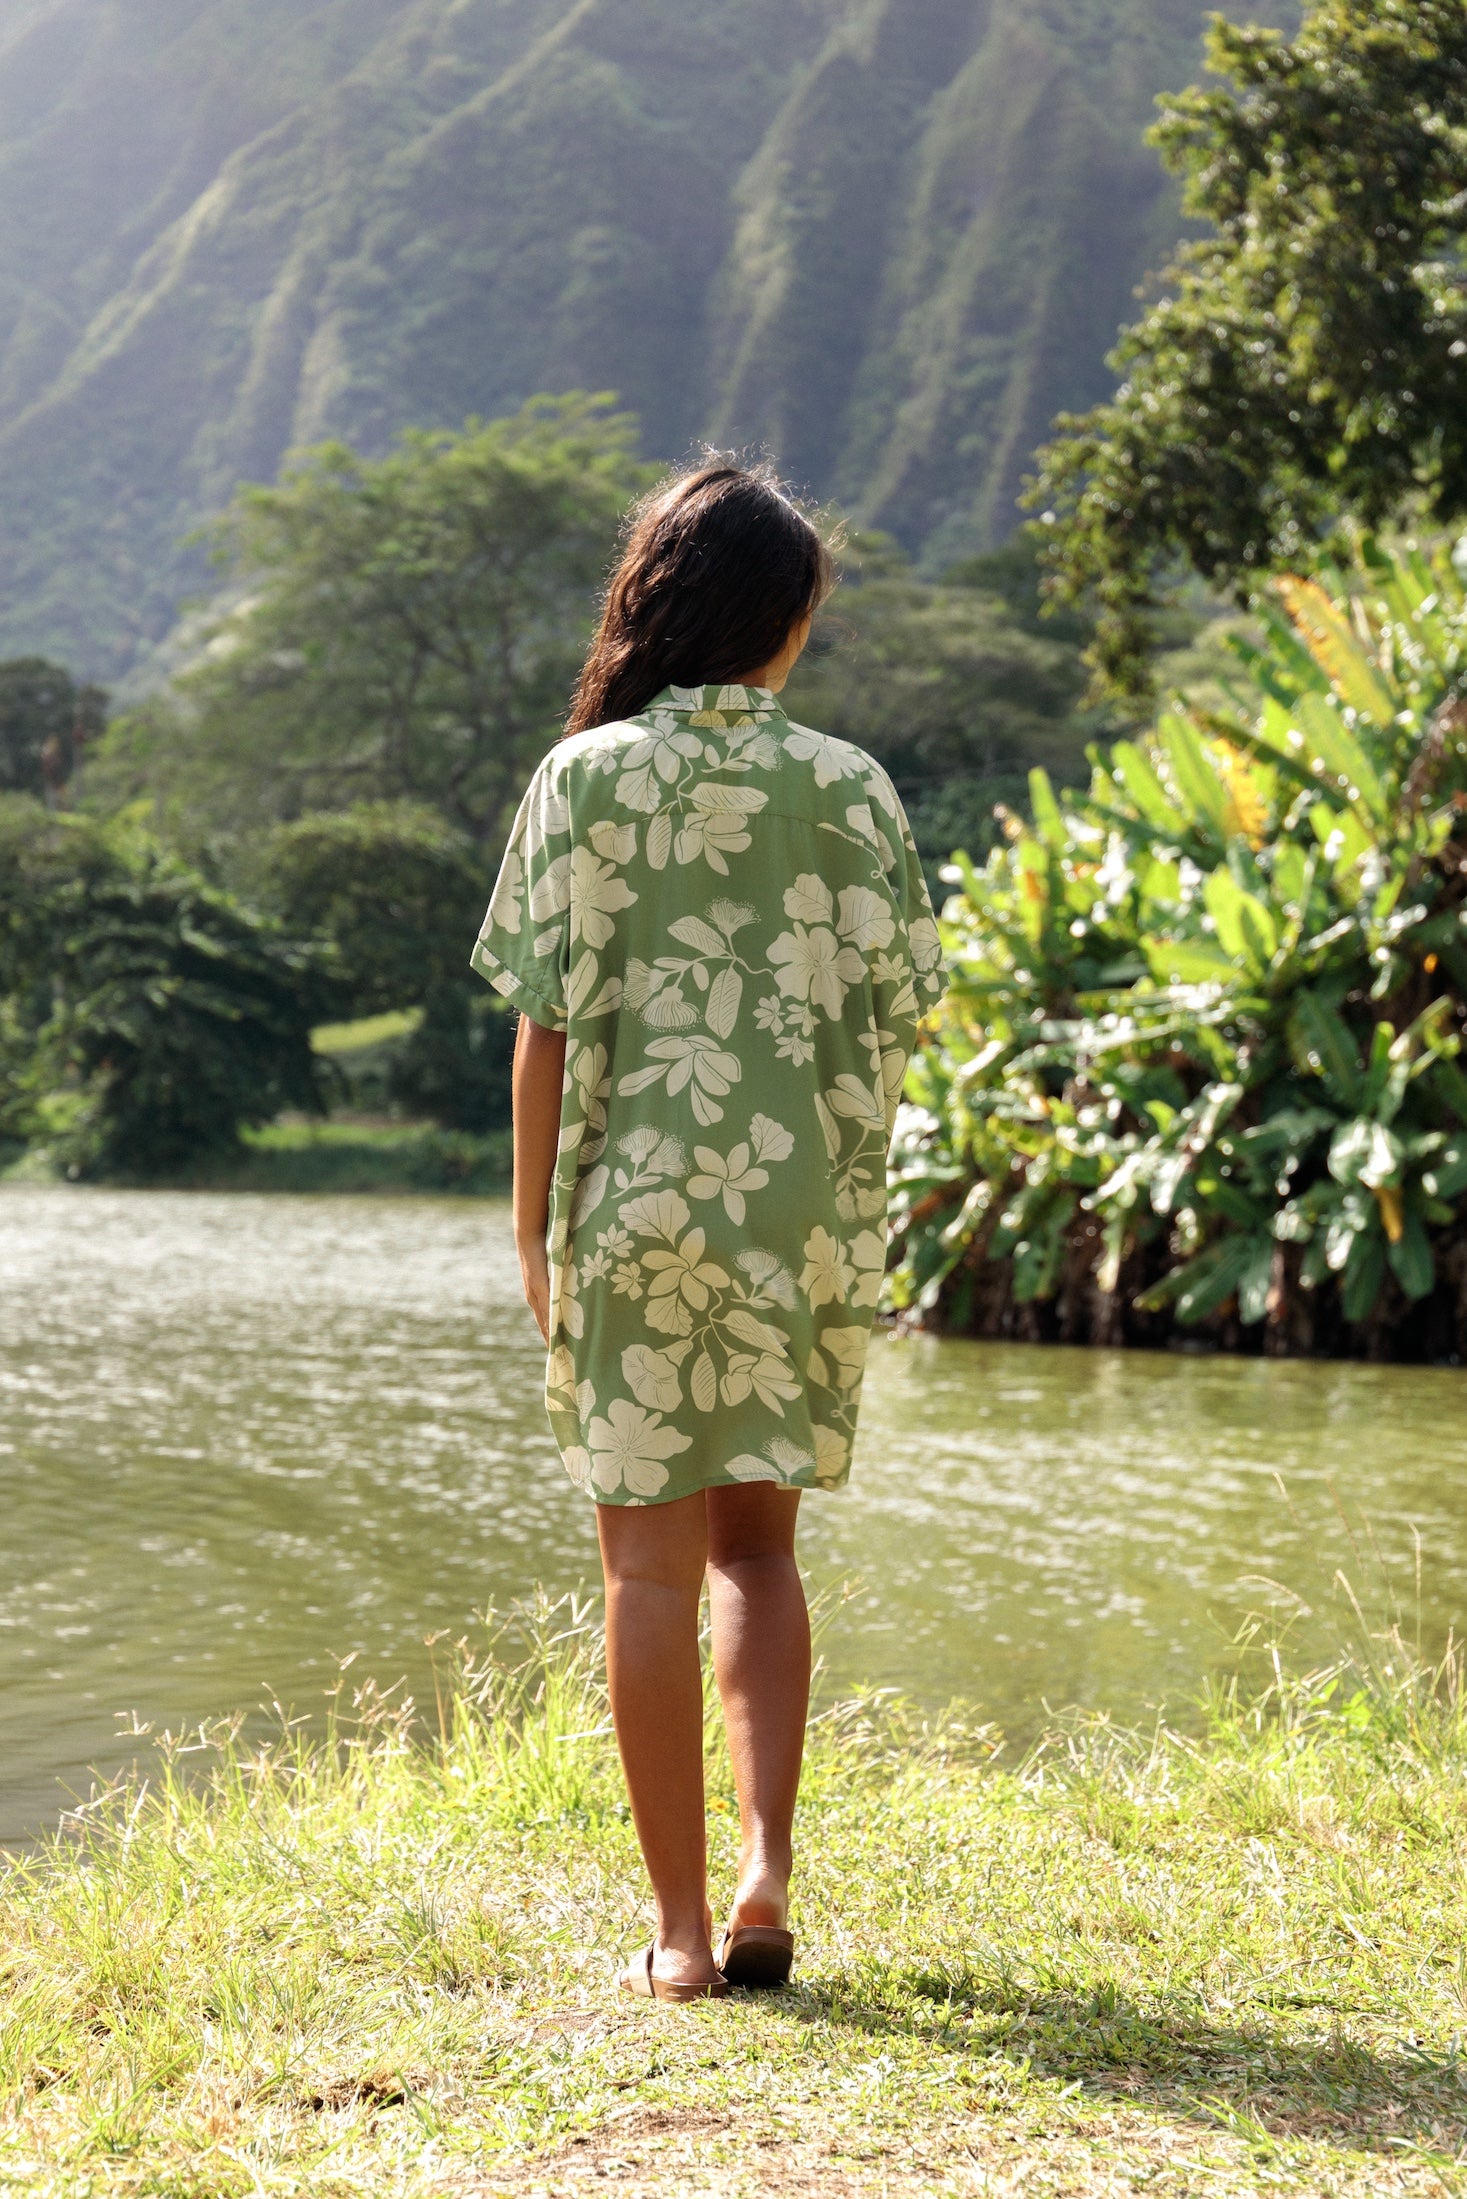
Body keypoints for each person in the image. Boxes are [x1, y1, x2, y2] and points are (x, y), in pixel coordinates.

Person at [471, 462, 945, 2002]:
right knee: (761, 1548)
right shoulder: (854, 789)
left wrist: (536, 1233)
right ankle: (766, 1878)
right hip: (794, 1210)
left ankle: (676, 1932)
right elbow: (892, 1021)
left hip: (630, 1208)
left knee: (648, 1572)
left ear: (654, 603)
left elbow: (544, 1033)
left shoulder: (585, 779)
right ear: (786, 617)